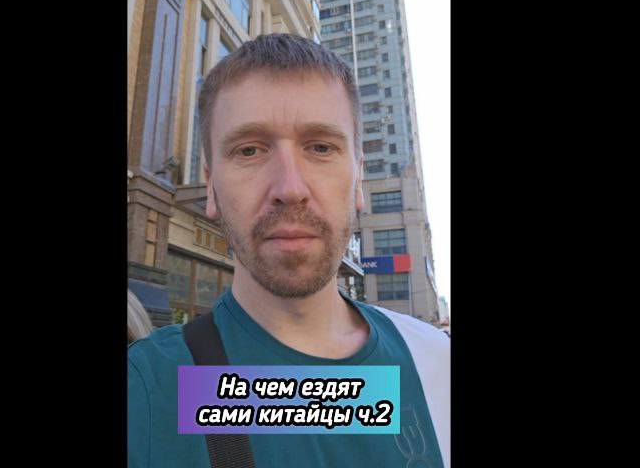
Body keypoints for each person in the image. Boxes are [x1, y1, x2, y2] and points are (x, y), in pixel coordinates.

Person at [127, 33, 449, 467]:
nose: (290, 188)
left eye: (321, 147)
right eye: (249, 150)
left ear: (358, 180)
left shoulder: (436, 363)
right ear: (211, 186)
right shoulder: (147, 389)